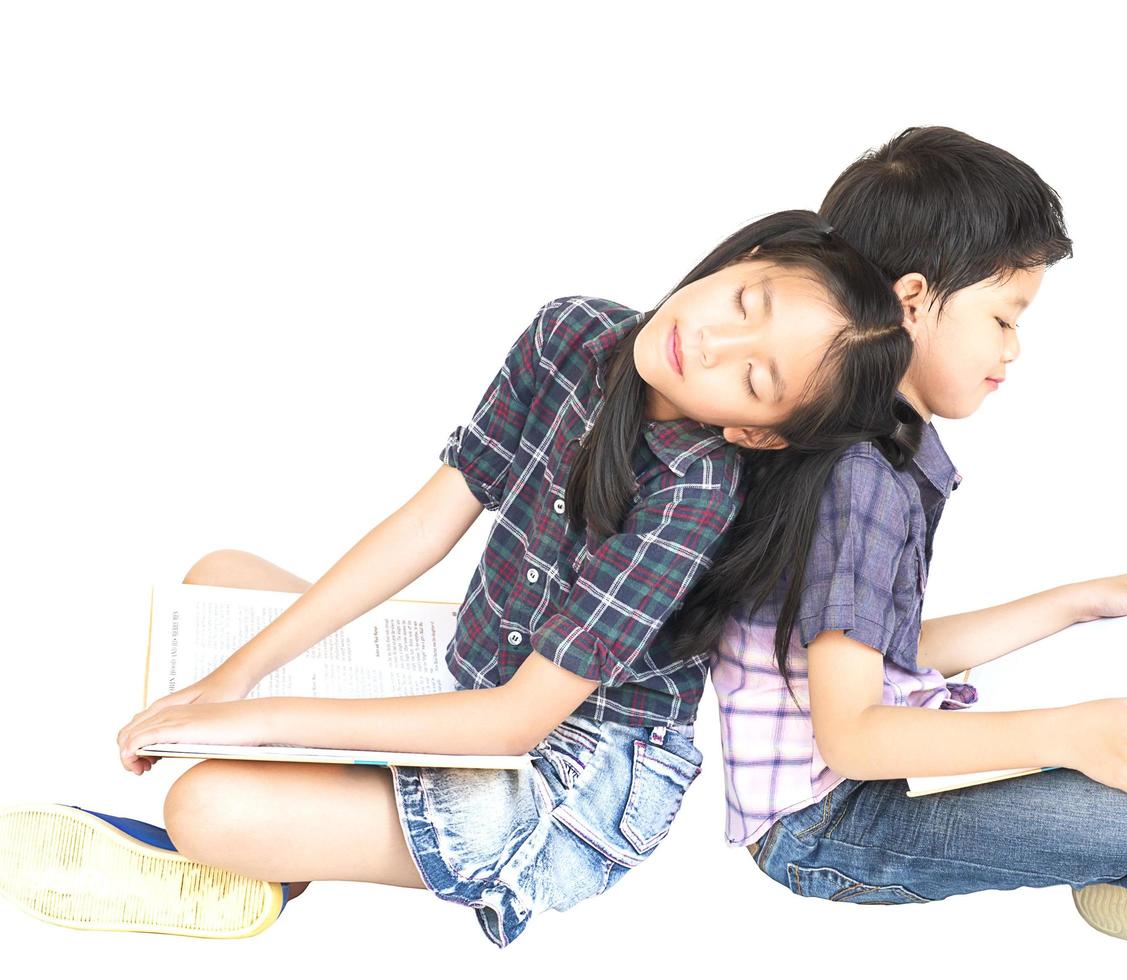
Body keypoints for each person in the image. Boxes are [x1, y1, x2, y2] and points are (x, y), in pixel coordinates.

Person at [0, 209, 914, 947]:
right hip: (465, 666)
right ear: (739, 259)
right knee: (220, 577)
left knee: (205, 804)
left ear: (759, 434)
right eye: (745, 302)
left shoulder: (695, 496)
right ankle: (287, 823)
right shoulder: (573, 334)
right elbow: (428, 523)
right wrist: (232, 675)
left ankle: (249, 865)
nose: (714, 344)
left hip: (570, 774)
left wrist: (248, 719)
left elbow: (518, 719)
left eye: (757, 380)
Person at [691, 128, 1127, 969]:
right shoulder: (855, 479)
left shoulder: (876, 456)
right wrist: (1068, 735)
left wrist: (1071, 605)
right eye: (1003, 317)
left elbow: (882, 654)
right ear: (912, 300)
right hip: (827, 827)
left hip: (861, 783)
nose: (1013, 349)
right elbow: (852, 733)